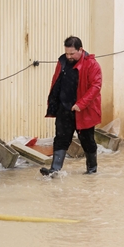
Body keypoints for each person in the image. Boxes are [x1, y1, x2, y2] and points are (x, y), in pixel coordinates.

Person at [40, 36, 102, 176]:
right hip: (64, 108)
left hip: (83, 110)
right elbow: (56, 83)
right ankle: (54, 170)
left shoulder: (92, 64)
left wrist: (81, 104)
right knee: (61, 138)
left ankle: (91, 170)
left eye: (72, 53)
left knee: (87, 141)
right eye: (67, 53)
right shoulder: (62, 61)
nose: (68, 56)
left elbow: (96, 86)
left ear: (80, 49)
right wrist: (54, 104)